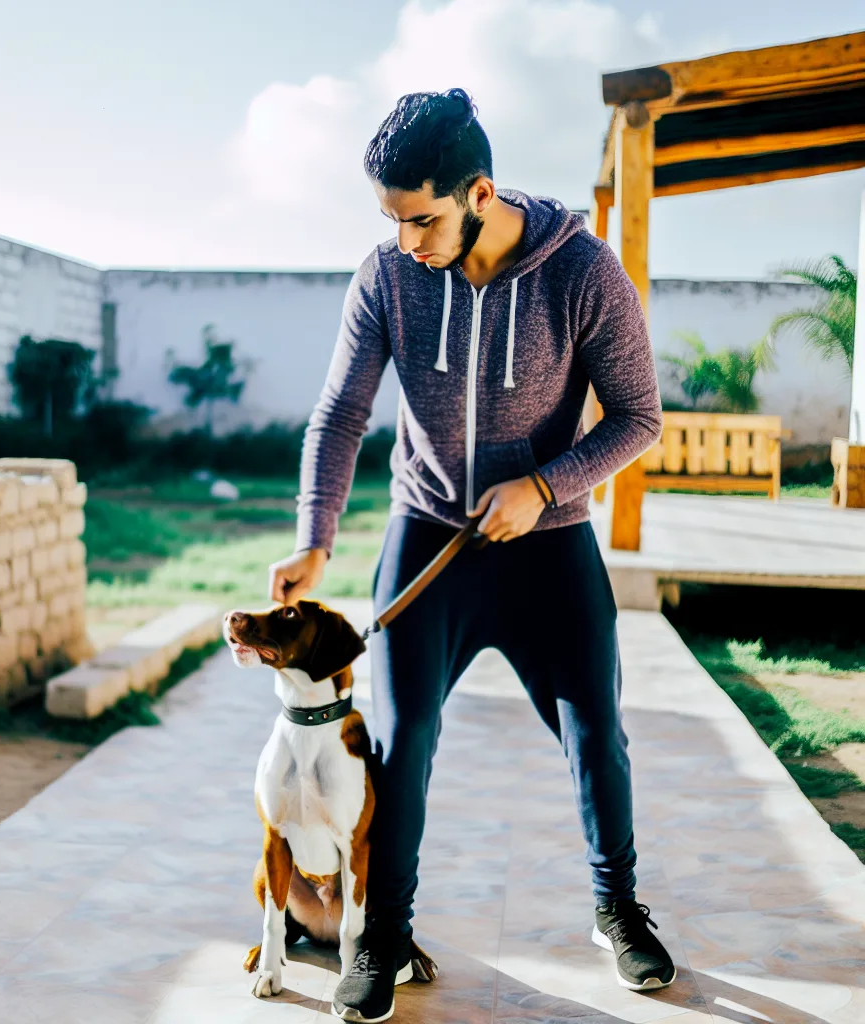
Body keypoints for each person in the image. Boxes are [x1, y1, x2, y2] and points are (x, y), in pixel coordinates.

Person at [268, 87, 673, 1023]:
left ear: (479, 192)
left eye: (421, 218)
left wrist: (542, 489)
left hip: (548, 545)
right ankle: (382, 934)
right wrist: (314, 537)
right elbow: (339, 415)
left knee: (595, 737)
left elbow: (640, 419)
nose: (405, 240)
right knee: (403, 743)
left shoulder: (585, 275)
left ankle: (618, 910)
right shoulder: (386, 277)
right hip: (429, 538)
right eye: (390, 219)